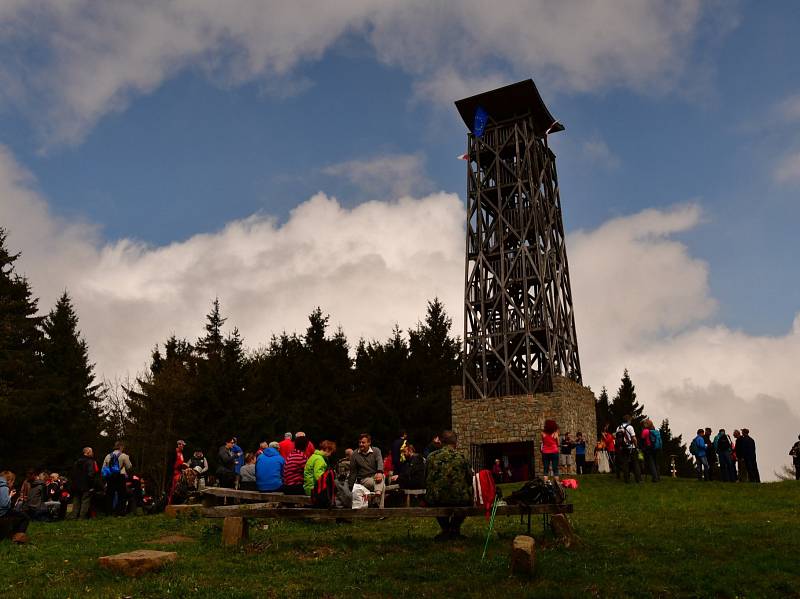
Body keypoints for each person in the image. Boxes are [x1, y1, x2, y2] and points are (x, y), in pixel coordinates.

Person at [424, 430, 473, 541]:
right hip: (459, 498)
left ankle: (446, 529)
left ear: (441, 442)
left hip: (436, 498)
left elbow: (426, 478)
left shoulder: (431, 457)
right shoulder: (462, 457)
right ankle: (454, 529)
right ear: (455, 443)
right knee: (467, 499)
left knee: (434, 498)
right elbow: (469, 478)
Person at [103, 441, 133, 515]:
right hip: (120, 476)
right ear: (121, 447)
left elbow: (104, 468)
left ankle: (109, 512)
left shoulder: (108, 456)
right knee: (121, 494)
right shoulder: (123, 455)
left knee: (110, 494)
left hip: (110, 477)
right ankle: (120, 512)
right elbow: (129, 467)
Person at [0, 471, 29, 543]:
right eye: (13, 482)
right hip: (1, 512)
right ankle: (18, 537)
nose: (13, 484)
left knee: (16, 515)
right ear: (9, 480)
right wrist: (10, 496)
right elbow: (4, 505)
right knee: (25, 517)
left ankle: (10, 533)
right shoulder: (4, 487)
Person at [70, 447, 97, 519]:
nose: (92, 453)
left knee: (76, 501)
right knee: (85, 501)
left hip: (76, 485)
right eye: (91, 452)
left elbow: (73, 474)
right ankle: (82, 517)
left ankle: (74, 516)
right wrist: (91, 485)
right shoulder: (90, 461)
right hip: (86, 485)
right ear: (88, 452)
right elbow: (91, 474)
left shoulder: (77, 461)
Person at [615, 416, 641, 484]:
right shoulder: (630, 427)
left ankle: (626, 479)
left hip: (623, 448)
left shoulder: (618, 428)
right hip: (631, 447)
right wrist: (636, 446)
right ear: (628, 420)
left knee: (625, 464)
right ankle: (638, 479)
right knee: (635, 463)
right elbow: (634, 438)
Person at [167, 439, 186, 505]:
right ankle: (169, 504)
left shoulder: (181, 454)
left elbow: (181, 462)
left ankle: (176, 503)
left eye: (183, 445)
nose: (182, 446)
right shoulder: (174, 452)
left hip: (180, 473)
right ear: (178, 445)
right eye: (181, 445)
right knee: (173, 489)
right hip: (174, 474)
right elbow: (170, 463)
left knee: (179, 489)